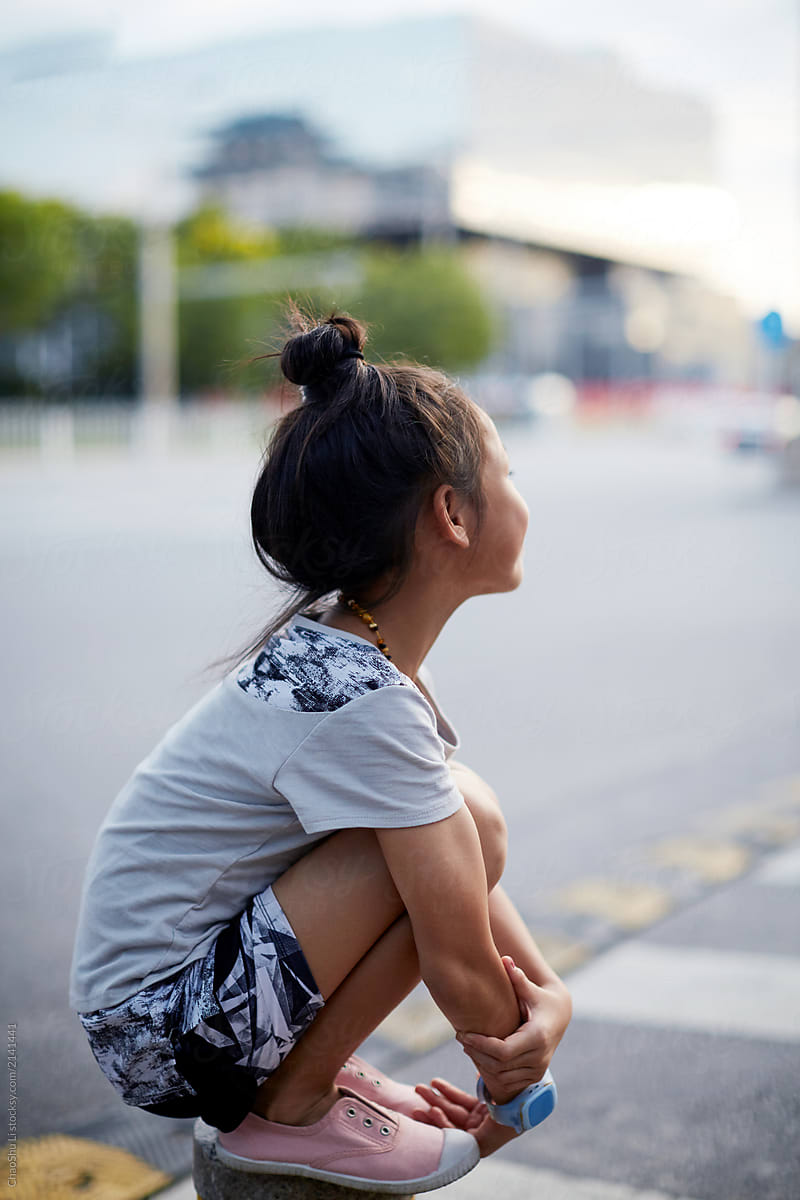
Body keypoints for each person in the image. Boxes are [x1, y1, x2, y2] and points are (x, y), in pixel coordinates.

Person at [69, 309, 572, 1193]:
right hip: (160, 1033)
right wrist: (513, 1094)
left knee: (459, 812)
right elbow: (456, 957)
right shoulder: (359, 697)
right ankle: (293, 1107)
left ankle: (305, 1083)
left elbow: (457, 864)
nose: (524, 497)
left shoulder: (344, 661)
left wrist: (547, 990)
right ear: (452, 515)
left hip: (176, 1004)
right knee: (462, 815)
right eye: (510, 474)